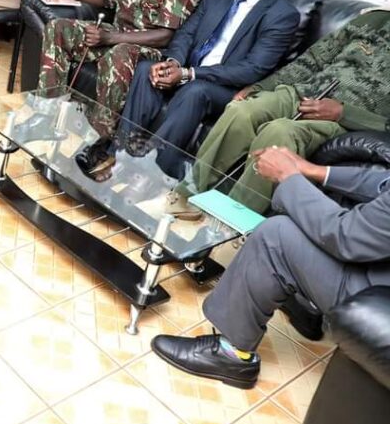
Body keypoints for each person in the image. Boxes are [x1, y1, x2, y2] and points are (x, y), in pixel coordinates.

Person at [151, 144, 390, 390]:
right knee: (303, 220)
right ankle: (304, 304)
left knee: (276, 235)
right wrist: (314, 170)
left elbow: (347, 236)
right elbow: (385, 182)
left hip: (378, 297)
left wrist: (289, 178)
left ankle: (232, 356)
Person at [110, 0, 299, 178]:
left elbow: (254, 68)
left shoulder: (282, 15)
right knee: (147, 69)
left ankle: (152, 173)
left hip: (224, 87)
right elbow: (187, 33)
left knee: (196, 91)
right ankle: (120, 153)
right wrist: (174, 63)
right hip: (189, 70)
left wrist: (189, 74)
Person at [182, 7, 390, 214]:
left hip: (343, 120)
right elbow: (313, 60)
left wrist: (344, 113)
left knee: (280, 132)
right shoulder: (375, 19)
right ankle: (187, 196)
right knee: (243, 111)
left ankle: (230, 223)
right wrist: (261, 87)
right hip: (302, 93)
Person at [39, 0, 201, 168]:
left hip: (149, 49)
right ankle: (46, 112)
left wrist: (110, 37)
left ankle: (99, 138)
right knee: (59, 27)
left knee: (120, 52)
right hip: (114, 35)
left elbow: (166, 35)